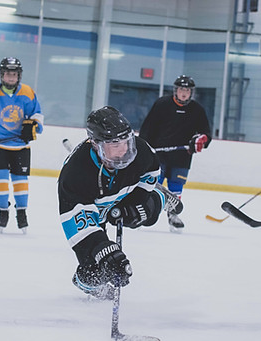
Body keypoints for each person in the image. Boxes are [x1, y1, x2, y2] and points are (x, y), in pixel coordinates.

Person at [58, 106, 183, 300]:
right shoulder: (75, 175)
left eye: (126, 142)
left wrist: (136, 201)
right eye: (114, 145)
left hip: (124, 193)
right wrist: (106, 251)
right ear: (95, 144)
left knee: (139, 216)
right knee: (93, 271)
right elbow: (79, 226)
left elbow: (151, 171)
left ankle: (160, 197)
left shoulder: (140, 151)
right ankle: (89, 284)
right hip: (94, 210)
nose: (124, 150)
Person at [139, 75, 212, 233]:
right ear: (175, 90)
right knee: (153, 185)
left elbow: (206, 133)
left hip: (182, 156)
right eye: (181, 89)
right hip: (158, 155)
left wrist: (201, 140)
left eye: (187, 90)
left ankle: (173, 215)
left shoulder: (197, 110)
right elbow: (147, 128)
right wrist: (144, 147)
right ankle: (145, 213)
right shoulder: (162, 104)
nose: (184, 93)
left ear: (191, 92)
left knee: (176, 187)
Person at [0, 57, 43, 233]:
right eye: (8, 74)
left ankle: (21, 212)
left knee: (20, 181)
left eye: (14, 74)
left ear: (19, 76)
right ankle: (3, 212)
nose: (11, 77)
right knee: (0, 180)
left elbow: (37, 114)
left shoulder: (27, 92)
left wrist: (33, 125)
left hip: (20, 145)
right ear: (2, 75)